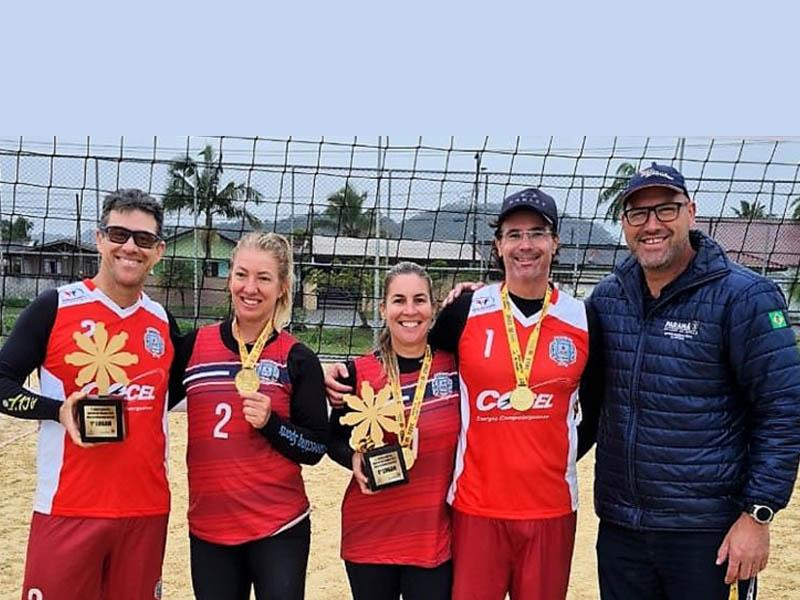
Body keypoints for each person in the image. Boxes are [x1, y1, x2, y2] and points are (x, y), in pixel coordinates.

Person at [327, 189, 600, 600]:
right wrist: (343, 376)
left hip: (551, 509)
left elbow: (594, 413)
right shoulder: (466, 310)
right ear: (498, 244)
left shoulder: (582, 318)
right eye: (513, 234)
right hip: (475, 510)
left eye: (537, 233)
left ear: (555, 242)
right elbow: (411, 349)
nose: (525, 245)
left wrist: (545, 459)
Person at [587, 163, 800, 600]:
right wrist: (480, 300)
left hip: (704, 531)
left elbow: (784, 410)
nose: (652, 225)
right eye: (638, 214)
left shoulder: (745, 296)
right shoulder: (608, 297)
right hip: (621, 526)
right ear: (625, 224)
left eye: (665, 209)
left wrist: (758, 515)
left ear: (691, 213)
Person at [0, 189, 178, 600]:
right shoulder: (55, 306)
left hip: (145, 511)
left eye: (144, 239)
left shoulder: (162, 322)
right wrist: (57, 410)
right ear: (99, 239)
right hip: (68, 509)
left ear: (159, 251)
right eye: (119, 234)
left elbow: (202, 383)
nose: (130, 246)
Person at [168, 231, 328, 600]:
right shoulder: (194, 346)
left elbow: (314, 447)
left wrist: (272, 424)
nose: (250, 288)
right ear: (230, 279)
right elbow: (147, 406)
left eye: (264, 278)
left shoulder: (297, 358)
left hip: (279, 527)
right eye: (242, 274)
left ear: (283, 287)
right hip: (209, 529)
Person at [327, 261, 460, 600]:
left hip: (432, 538)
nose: (410, 310)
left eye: (420, 299)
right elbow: (333, 440)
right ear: (383, 308)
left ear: (433, 307)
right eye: (399, 300)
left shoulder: (458, 365)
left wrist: (472, 288)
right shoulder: (355, 373)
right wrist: (353, 458)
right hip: (370, 535)